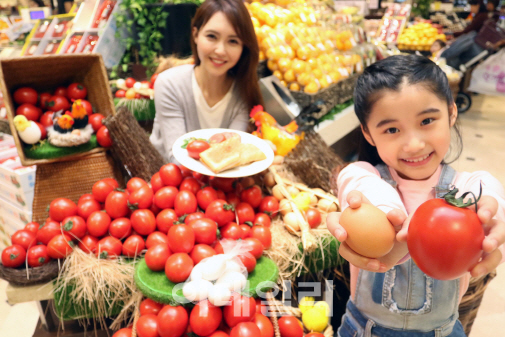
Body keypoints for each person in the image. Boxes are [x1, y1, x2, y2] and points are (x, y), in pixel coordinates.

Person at [326, 55, 505, 337]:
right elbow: (355, 182)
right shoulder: (365, 177)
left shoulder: (464, 189)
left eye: (427, 121)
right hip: (363, 329)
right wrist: (388, 216)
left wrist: (488, 209)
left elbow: (488, 188)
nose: (413, 144)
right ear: (368, 134)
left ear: (451, 113)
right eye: (392, 129)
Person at [150, 0, 263, 163]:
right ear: (195, 35)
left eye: (233, 41)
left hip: (217, 185)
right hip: (167, 182)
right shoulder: (169, 84)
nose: (220, 50)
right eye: (212, 36)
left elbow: (231, 154)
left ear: (243, 47)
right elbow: (176, 156)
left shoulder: (243, 92)